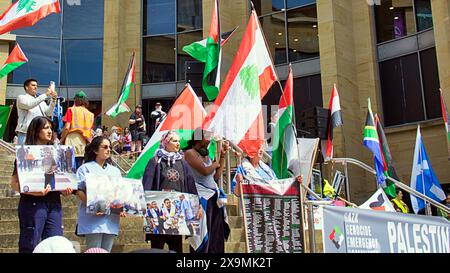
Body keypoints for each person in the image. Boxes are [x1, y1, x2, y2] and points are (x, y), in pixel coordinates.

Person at [10, 116, 73, 253]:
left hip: (54, 203)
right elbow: (14, 183)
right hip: (32, 204)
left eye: (51, 128)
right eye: (46, 128)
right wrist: (33, 191)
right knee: (30, 243)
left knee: (56, 244)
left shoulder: (57, 154)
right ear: (36, 130)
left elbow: (58, 179)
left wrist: (65, 189)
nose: (50, 131)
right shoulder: (25, 153)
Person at [142, 131, 199, 253]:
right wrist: (145, 204)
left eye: (178, 141)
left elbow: (191, 186)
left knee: (177, 248)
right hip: (159, 215)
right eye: (174, 141)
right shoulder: (155, 161)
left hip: (177, 215)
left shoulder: (183, 163)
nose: (178, 144)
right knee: (157, 248)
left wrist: (196, 205)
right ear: (166, 143)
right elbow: (146, 185)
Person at [74, 136, 126, 252]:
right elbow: (78, 190)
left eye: (110, 147)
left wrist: (121, 207)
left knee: (106, 250)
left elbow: (119, 192)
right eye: (105, 147)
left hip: (111, 218)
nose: (108, 150)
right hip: (93, 218)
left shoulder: (115, 171)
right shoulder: (85, 168)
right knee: (94, 250)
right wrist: (93, 205)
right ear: (95, 150)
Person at [184, 129, 230, 253]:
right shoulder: (190, 153)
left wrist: (222, 157)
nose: (209, 141)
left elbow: (216, 176)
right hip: (200, 197)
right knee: (203, 232)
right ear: (198, 139)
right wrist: (214, 165)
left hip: (213, 196)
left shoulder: (207, 156)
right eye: (206, 138)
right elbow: (205, 171)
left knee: (216, 232)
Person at [233, 147, 303, 196]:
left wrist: (294, 182)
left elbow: (279, 187)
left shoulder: (268, 170)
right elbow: (236, 193)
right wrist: (239, 183)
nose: (260, 150)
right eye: (257, 148)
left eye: (261, 147)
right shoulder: (242, 168)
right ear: (250, 151)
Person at [15, 79, 57, 145]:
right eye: (33, 85)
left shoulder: (41, 101)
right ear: (26, 87)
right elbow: (30, 105)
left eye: (36, 85)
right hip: (25, 132)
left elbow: (49, 113)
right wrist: (45, 94)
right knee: (25, 154)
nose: (36, 87)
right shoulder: (21, 97)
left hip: (38, 134)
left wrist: (53, 100)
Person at [60, 91, 94, 170]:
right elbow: (91, 131)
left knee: (69, 169)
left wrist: (61, 140)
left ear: (76, 100)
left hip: (71, 140)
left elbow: (67, 127)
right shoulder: (90, 114)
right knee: (79, 167)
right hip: (83, 143)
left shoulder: (71, 110)